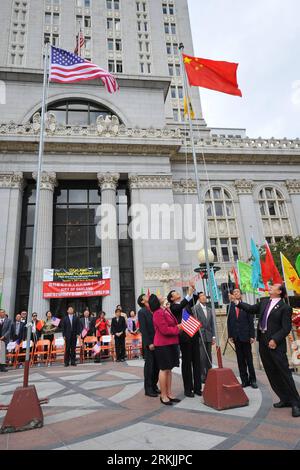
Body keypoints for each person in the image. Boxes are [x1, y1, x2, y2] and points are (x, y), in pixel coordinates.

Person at [234, 284, 300, 418]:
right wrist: (238, 302)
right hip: (263, 343)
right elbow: (251, 309)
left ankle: (296, 403)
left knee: (284, 372)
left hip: (275, 344)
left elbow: (286, 328)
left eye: (273, 287)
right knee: (271, 372)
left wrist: (275, 339)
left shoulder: (285, 307)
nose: (270, 287)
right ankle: (284, 398)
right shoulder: (264, 302)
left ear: (279, 291)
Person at [168, 285, 202, 397]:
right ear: (172, 298)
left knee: (197, 362)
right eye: (175, 293)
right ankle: (188, 389)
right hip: (184, 338)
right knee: (187, 363)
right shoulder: (173, 307)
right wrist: (188, 293)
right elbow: (180, 306)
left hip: (194, 334)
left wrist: (194, 290)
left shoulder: (186, 303)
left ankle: (198, 388)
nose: (178, 293)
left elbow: (194, 299)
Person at [150, 294, 182, 405]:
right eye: (159, 296)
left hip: (171, 343)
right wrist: (177, 329)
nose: (161, 295)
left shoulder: (164, 309)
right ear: (157, 301)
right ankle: (163, 395)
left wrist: (177, 327)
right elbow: (164, 330)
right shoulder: (158, 312)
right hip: (162, 344)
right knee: (164, 369)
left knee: (169, 369)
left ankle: (169, 393)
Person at [227, 288, 257, 388]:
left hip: (246, 336)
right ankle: (244, 380)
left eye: (237, 292)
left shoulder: (246, 306)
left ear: (241, 294)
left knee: (249, 359)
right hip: (236, 337)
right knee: (240, 360)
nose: (236, 293)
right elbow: (229, 322)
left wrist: (252, 335)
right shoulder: (230, 307)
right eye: (234, 292)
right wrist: (230, 335)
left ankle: (253, 380)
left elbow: (250, 322)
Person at [138, 294, 160, 397]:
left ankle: (154, 385)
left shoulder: (152, 309)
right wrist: (149, 343)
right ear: (142, 301)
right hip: (149, 343)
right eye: (145, 296)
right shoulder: (142, 312)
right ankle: (148, 388)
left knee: (157, 366)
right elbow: (143, 329)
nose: (148, 296)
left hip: (158, 341)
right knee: (149, 367)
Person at [192, 292, 216, 383]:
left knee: (209, 355)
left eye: (205, 296)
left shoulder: (210, 309)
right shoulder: (195, 309)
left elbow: (212, 324)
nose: (204, 298)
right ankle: (203, 375)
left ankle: (210, 374)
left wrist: (213, 336)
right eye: (201, 296)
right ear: (198, 298)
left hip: (209, 335)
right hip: (200, 336)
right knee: (202, 357)